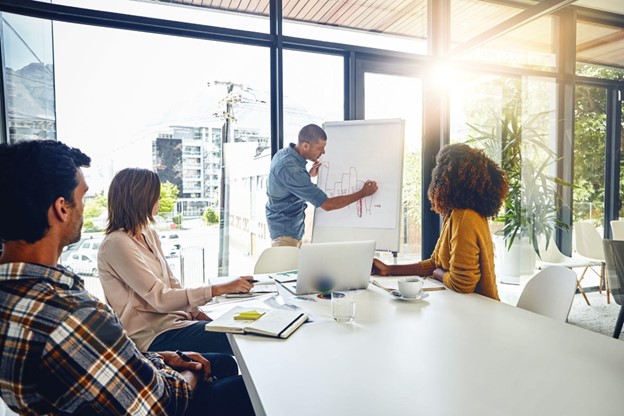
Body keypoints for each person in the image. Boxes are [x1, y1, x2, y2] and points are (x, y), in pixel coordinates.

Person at [0, 140, 253, 415]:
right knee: (251, 389)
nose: (85, 208)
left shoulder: (18, 298)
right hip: (158, 392)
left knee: (224, 366)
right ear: (62, 208)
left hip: (123, 380)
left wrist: (156, 359)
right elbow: (163, 401)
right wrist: (190, 373)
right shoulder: (73, 315)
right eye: (83, 197)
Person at [98, 168, 253, 359]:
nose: (160, 198)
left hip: (176, 324)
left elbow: (172, 284)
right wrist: (219, 289)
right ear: (140, 197)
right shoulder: (116, 243)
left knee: (234, 335)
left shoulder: (149, 235)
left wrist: (197, 313)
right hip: (152, 336)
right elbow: (160, 299)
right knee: (236, 337)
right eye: (156, 194)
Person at [372, 143, 508, 300]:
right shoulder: (455, 214)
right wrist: (389, 269)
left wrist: (437, 274)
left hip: (478, 311)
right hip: (462, 306)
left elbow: (462, 284)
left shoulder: (465, 218)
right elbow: (435, 263)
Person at [266, 123, 379, 247]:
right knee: (288, 267)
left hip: (288, 230)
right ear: (305, 146)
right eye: (320, 148)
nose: (323, 152)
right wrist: (362, 193)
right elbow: (327, 204)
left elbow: (289, 184)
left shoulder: (285, 154)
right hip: (284, 234)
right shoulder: (290, 169)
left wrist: (307, 176)